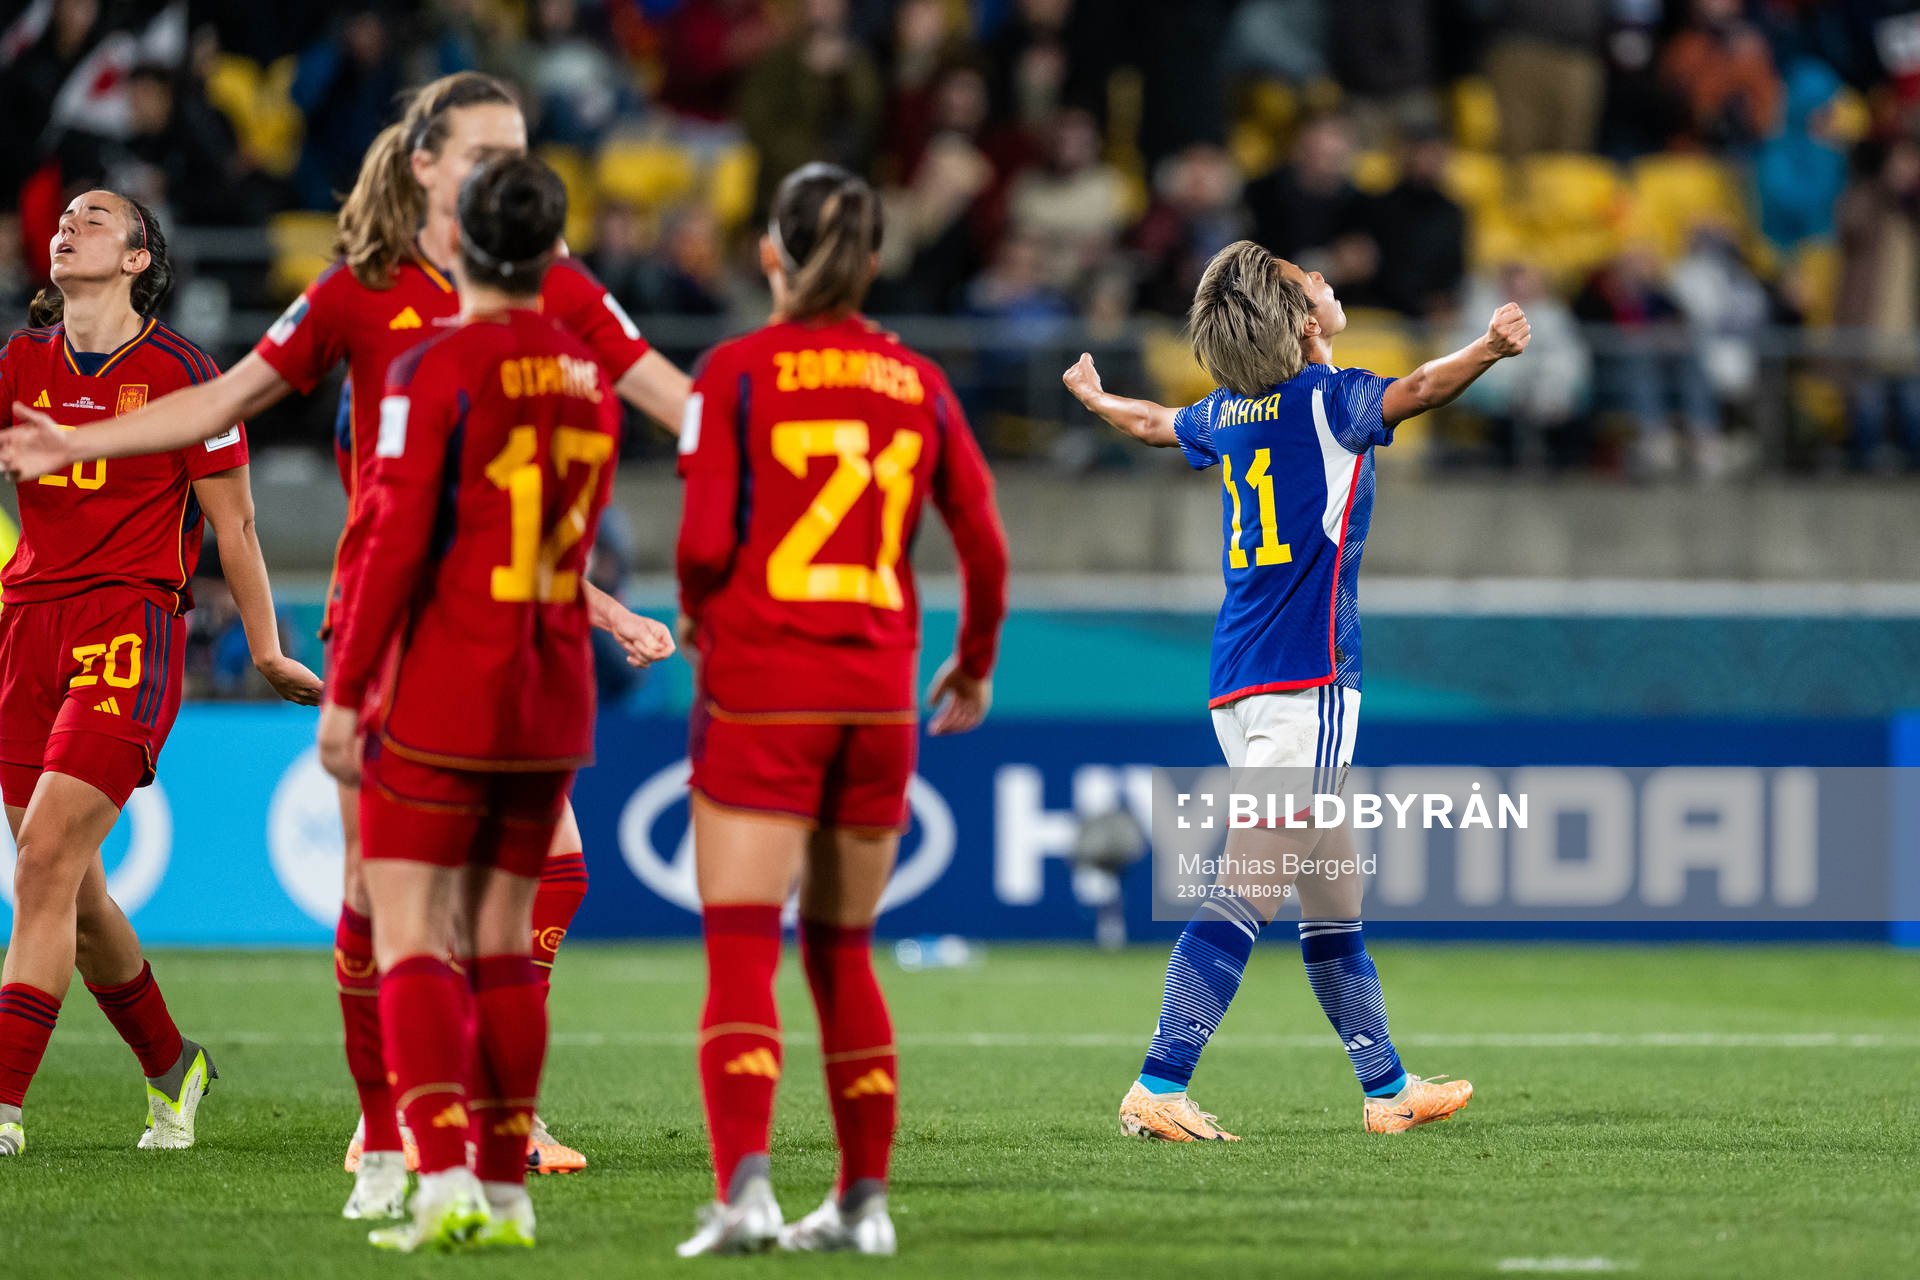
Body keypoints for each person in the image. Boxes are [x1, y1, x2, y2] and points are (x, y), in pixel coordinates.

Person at [0, 72, 686, 1212]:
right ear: (423, 162)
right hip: (387, 619)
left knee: (542, 873)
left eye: (519, 149)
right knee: (368, 895)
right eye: (485, 148)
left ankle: (473, 1126)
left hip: (502, 619)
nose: (508, 166)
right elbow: (237, 418)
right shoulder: (358, 296)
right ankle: (383, 1134)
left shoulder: (557, 292)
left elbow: (663, 407)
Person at [1061, 240, 1528, 1142]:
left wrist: (1094, 397)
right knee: (1250, 887)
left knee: (1332, 897)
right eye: (1303, 276)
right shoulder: (1331, 399)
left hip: (1242, 679)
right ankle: (1159, 1083)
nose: (1320, 278)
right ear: (1305, 318)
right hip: (1304, 682)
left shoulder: (1232, 413)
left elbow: (1156, 424)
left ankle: (1386, 1087)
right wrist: (1487, 350)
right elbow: (1422, 389)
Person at [315, 153, 651, 1253]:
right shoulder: (590, 380)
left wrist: (349, 691)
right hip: (550, 684)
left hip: (447, 680)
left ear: (455, 240)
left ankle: (440, 1174)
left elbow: (392, 539)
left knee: (411, 932)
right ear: (555, 253)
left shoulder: (429, 364)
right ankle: (506, 1188)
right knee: (507, 942)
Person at [674, 163, 1008, 1256]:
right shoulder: (919, 381)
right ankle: (862, 1202)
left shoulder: (733, 370)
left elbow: (703, 545)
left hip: (767, 687)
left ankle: (746, 1196)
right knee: (844, 950)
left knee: (740, 948)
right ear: (872, 262)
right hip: (878, 695)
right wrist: (970, 663)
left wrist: (706, 629)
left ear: (770, 252)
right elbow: (985, 540)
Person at [0, 190, 322, 1158]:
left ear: (139, 258)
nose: (68, 226)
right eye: (63, 219)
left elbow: (237, 528)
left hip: (127, 629)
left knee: (46, 861)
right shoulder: (18, 363)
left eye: (95, 218)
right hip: (25, 633)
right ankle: (172, 1063)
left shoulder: (188, 374)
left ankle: (3, 1105)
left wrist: (265, 647)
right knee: (75, 889)